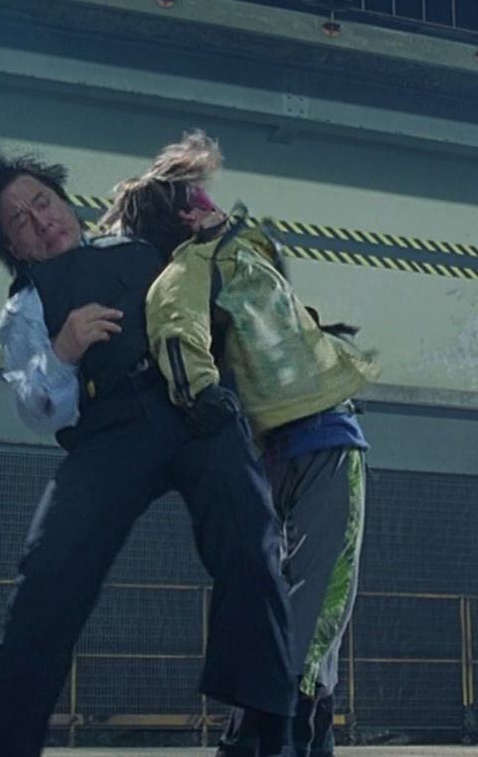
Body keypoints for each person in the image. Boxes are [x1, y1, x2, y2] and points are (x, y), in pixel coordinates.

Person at [0, 145, 299, 757]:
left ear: (64, 200)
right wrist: (63, 351)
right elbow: (37, 411)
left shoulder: (141, 244)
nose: (41, 221)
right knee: (48, 575)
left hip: (195, 405)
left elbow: (235, 284)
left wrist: (216, 230)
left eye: (43, 201)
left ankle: (263, 741)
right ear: (12, 247)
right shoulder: (23, 310)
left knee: (253, 547)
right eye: (20, 221)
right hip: (108, 430)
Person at [101, 131, 378, 757]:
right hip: (321, 440)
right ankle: (273, 730)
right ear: (188, 216)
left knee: (290, 599)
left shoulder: (232, 257)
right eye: (201, 197)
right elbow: (177, 333)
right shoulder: (191, 268)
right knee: (317, 597)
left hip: (280, 447)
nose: (215, 202)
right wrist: (203, 394)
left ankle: (276, 730)